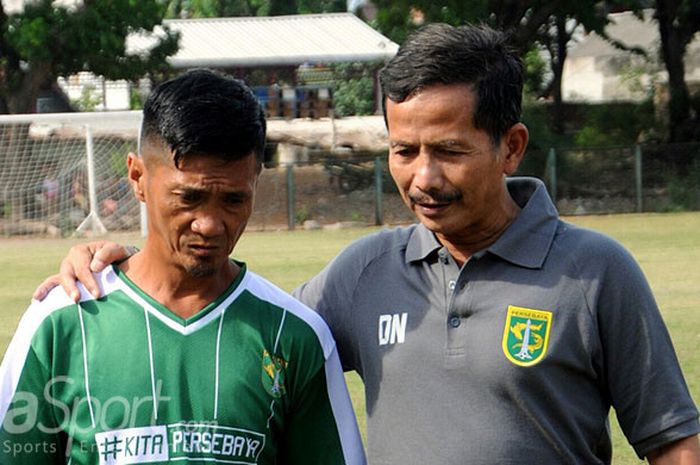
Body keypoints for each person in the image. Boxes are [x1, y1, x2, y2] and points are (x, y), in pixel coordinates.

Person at [32, 25, 700, 465]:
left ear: (511, 146)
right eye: (403, 150)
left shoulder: (595, 273)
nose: (422, 176)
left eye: (449, 151)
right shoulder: (365, 270)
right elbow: (249, 330)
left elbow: (674, 444)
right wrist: (114, 269)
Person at [2, 69, 366, 465]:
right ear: (138, 177)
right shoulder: (62, 320)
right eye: (188, 198)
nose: (209, 224)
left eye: (232, 200)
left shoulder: (294, 335)